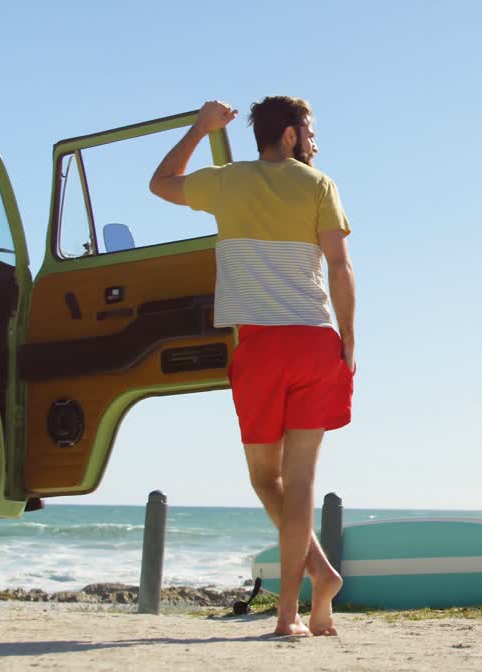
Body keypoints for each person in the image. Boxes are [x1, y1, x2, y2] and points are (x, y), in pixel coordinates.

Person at [149, 97, 355, 637]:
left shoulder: (226, 182)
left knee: (268, 478)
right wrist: (349, 338)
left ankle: (302, 600)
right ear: (288, 136)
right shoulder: (319, 186)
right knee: (301, 478)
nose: (313, 141)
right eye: (308, 131)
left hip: (262, 350)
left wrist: (199, 127)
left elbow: (162, 182)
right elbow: (339, 265)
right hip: (314, 342)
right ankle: (308, 599)